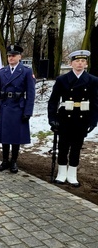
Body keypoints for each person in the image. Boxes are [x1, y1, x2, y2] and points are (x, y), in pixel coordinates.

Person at [48, 50, 98, 187]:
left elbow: (95, 102)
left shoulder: (93, 80)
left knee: (76, 147)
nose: (80, 64)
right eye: (77, 61)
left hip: (82, 118)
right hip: (65, 117)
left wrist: (93, 121)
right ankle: (61, 172)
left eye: (83, 61)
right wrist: (52, 118)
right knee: (63, 146)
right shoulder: (62, 80)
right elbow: (53, 101)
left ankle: (72, 174)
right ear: (71, 64)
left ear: (86, 64)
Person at [0, 45, 35, 173]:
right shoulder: (2, 72)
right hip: (5, 106)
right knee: (5, 135)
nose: (11, 58)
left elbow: (31, 93)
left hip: (18, 107)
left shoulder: (26, 71)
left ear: (20, 57)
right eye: (9, 55)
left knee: (16, 136)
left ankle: (14, 161)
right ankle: (5, 161)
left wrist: (28, 111)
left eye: (14, 55)